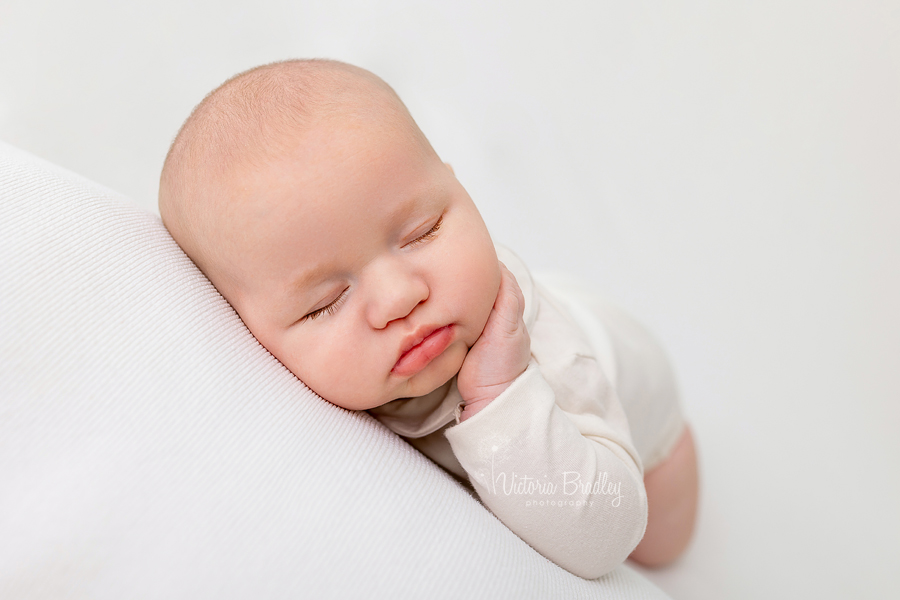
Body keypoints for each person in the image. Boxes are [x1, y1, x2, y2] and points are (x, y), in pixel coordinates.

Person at [158, 59, 698, 578]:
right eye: (325, 302)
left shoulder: (551, 353)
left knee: (663, 547)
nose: (398, 298)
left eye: (422, 232)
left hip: (633, 396)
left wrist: (501, 397)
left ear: (458, 187)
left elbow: (605, 538)